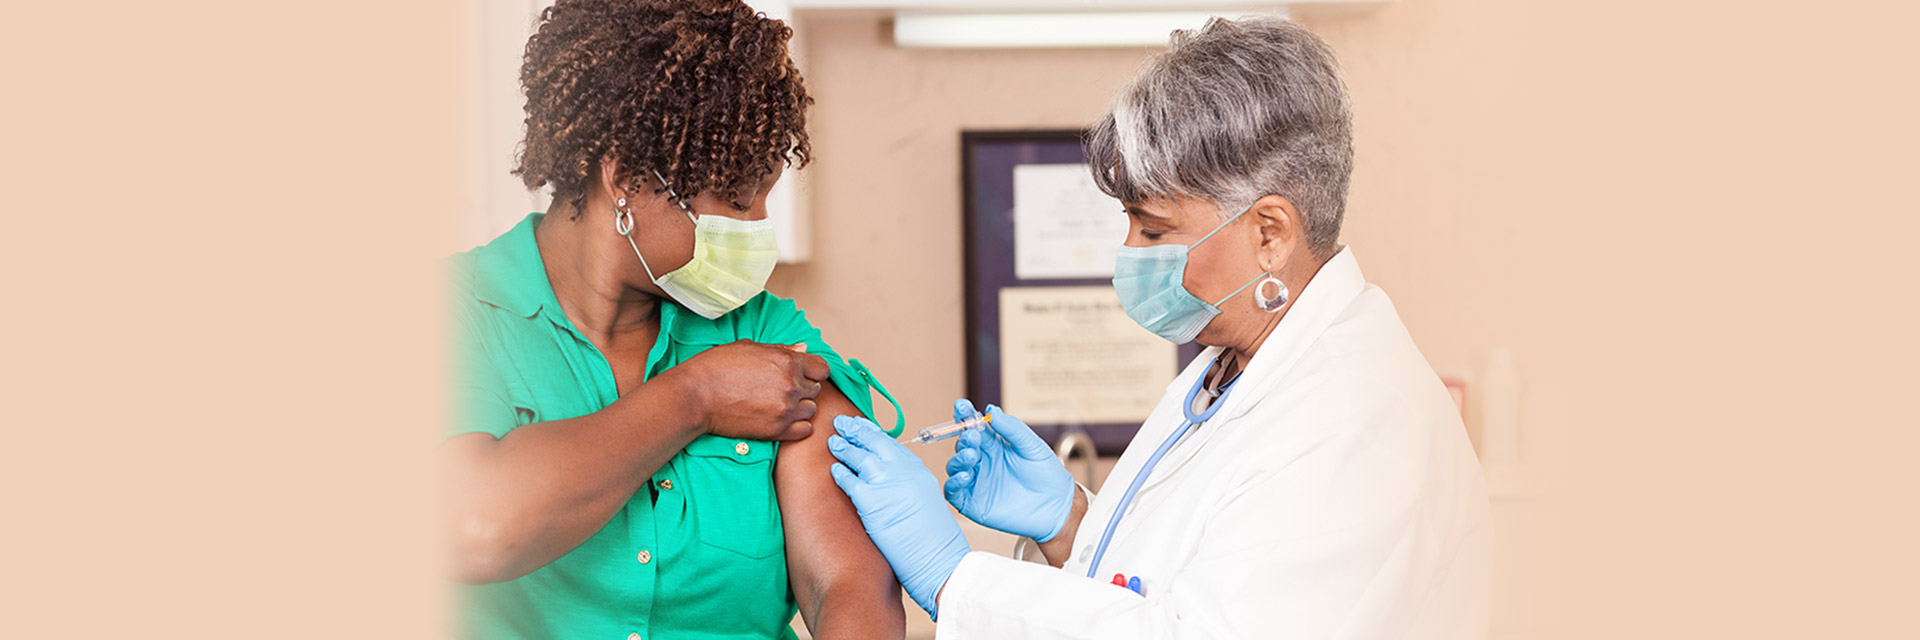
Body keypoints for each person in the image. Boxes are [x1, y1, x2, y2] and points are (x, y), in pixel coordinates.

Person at [826, 16, 1491, 639]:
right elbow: (1173, 581)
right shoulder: (1231, 367)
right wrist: (1071, 523)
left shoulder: (1358, 423)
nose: (1130, 255)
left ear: (1270, 234)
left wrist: (955, 580)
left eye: (1154, 229)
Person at [442, 1, 905, 638]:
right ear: (627, 180)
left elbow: (850, 587)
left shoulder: (764, 333)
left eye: (766, 198)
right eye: (736, 202)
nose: (756, 231)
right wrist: (696, 396)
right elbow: (473, 529)